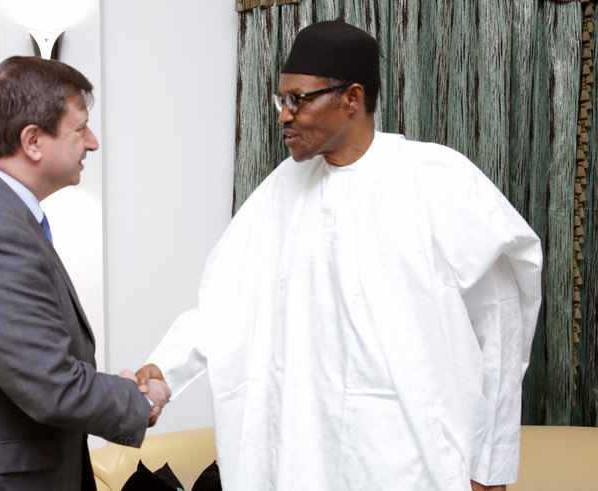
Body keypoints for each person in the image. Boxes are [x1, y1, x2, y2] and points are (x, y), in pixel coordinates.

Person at [136, 20, 542, 491]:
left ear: (352, 98)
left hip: (411, 459)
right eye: (280, 100)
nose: (284, 115)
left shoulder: (438, 181)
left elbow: (501, 324)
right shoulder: (278, 194)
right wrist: (165, 368)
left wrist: (491, 466)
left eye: (298, 99)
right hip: (302, 455)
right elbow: (226, 306)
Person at [0, 56, 169, 490]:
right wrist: (136, 401)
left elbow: (28, 362)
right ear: (33, 141)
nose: (92, 142)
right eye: (80, 129)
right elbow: (50, 386)